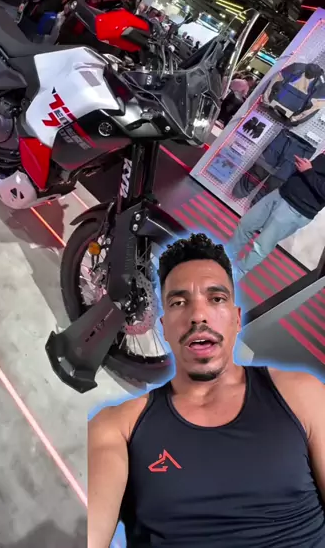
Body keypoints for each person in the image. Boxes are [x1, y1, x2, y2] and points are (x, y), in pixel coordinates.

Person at [89, 233, 325, 548]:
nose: (198, 315)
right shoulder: (118, 428)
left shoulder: (302, 396)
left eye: (216, 299)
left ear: (237, 320)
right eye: (179, 302)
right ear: (164, 327)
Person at [228, 152, 325, 280]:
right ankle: (224, 258)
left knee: (262, 246)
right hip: (281, 193)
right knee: (245, 225)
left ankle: (234, 276)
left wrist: (308, 171)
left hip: (297, 209)